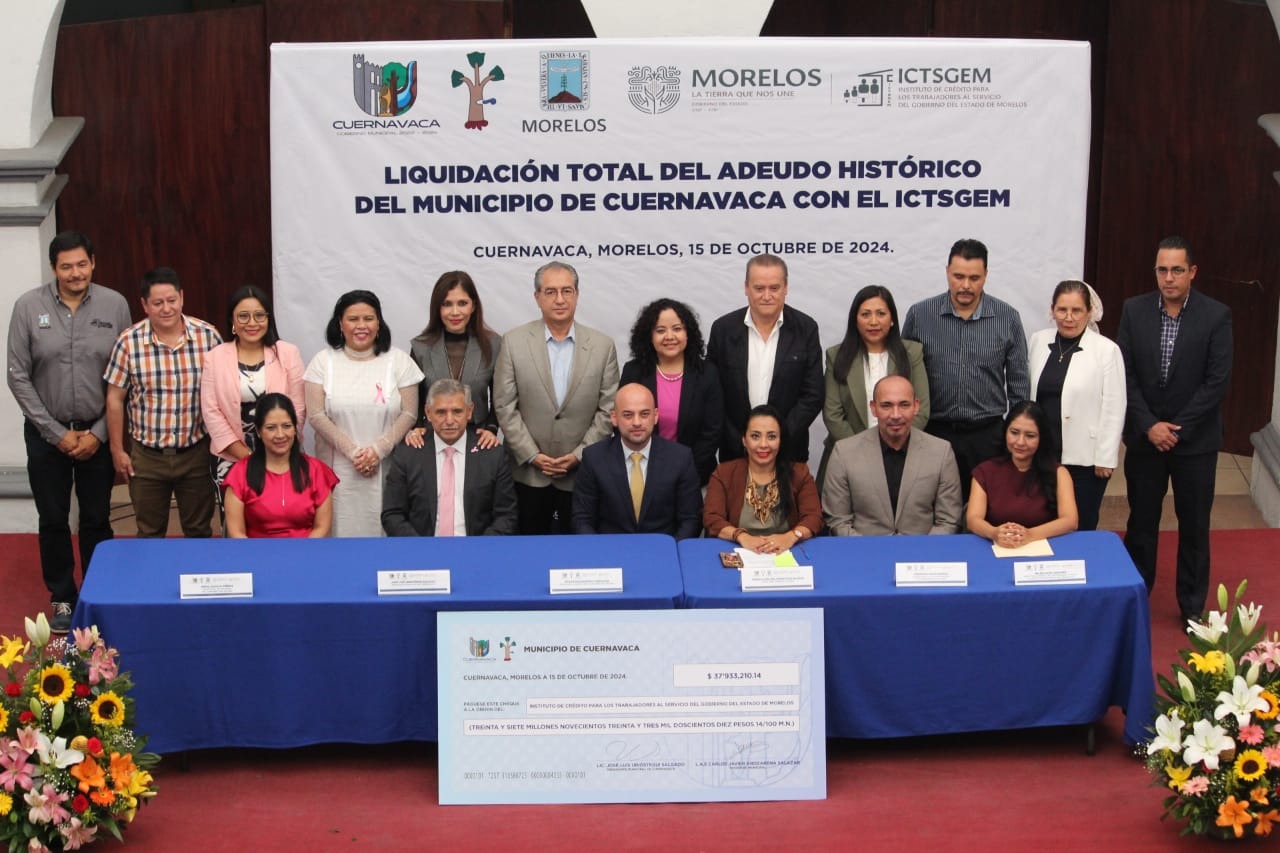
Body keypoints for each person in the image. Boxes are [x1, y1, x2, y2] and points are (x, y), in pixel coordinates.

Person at [6, 231, 132, 633]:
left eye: (81, 264)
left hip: (98, 433)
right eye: (66, 266)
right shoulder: (28, 307)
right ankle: (62, 596)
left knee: (96, 518)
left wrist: (99, 433)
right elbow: (17, 375)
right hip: (46, 436)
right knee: (53, 518)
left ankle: (98, 590)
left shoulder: (115, 305)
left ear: (93, 262)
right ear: (53, 268)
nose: (75, 273)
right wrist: (55, 432)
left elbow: (126, 372)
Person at [1117, 236, 1232, 620]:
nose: (1169, 278)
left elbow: (1217, 382)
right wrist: (1149, 425)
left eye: (1177, 270)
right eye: (1162, 270)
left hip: (1195, 443)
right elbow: (1124, 374)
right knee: (1141, 524)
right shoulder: (1134, 311)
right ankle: (1135, 599)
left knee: (1195, 526)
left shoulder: (1216, 316)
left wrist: (1176, 429)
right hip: (1145, 439)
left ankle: (1192, 608)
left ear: (1192, 272)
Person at [492, 261, 619, 534]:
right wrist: (532, 455)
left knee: (580, 551)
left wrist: (579, 455)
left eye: (567, 291)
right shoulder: (513, 342)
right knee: (528, 550)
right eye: (550, 292)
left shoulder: (602, 346)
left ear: (577, 295)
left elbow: (608, 408)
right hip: (528, 474)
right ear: (537, 297)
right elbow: (504, 405)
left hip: (582, 474)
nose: (560, 299)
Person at [903, 239, 1030, 499]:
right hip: (933, 433)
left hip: (988, 436)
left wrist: (1017, 434)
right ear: (947, 272)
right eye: (958, 276)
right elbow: (905, 376)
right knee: (931, 506)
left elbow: (1019, 384)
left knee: (987, 509)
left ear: (986, 275)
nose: (965, 286)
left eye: (974, 278)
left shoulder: (1008, 318)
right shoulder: (920, 315)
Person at [104, 266, 223, 538]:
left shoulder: (208, 337)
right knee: (149, 533)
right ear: (144, 305)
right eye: (158, 303)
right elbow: (114, 399)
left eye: (172, 300)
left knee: (199, 532)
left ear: (182, 297)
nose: (166, 309)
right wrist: (117, 450)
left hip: (195, 452)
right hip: (147, 457)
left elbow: (223, 393)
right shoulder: (128, 342)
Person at [304, 290, 423, 537]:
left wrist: (378, 451)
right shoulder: (322, 362)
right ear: (340, 324)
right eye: (353, 319)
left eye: (368, 318)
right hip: (336, 472)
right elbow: (316, 415)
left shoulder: (399, 361)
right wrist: (355, 453)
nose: (361, 326)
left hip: (387, 468)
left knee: (385, 538)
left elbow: (410, 413)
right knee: (339, 538)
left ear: (379, 322)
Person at [706, 253, 823, 463]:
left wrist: (777, 438)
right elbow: (712, 393)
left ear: (786, 288)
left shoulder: (806, 329)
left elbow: (812, 395)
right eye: (759, 288)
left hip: (789, 452)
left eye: (774, 288)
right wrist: (742, 440)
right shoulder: (723, 329)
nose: (767, 296)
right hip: (735, 452)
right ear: (746, 288)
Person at [1028, 280, 1126, 532]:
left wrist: (1106, 457)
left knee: (1080, 525)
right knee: (1041, 521)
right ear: (1052, 310)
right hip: (1042, 454)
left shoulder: (1106, 350)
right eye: (1062, 310)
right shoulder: (1038, 341)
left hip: (1086, 459)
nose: (1068, 317)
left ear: (1089, 312)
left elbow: (1114, 407)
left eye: (1076, 310)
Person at [822, 375, 961, 536]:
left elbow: (948, 520)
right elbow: (838, 521)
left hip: (923, 550)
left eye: (904, 405)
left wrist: (922, 550)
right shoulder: (844, 453)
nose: (895, 415)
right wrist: (869, 550)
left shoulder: (941, 452)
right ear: (873, 408)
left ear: (916, 406)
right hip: (863, 549)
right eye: (886, 405)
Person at [819, 285, 930, 487]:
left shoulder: (912, 353)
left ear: (892, 319)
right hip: (847, 458)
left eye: (881, 314)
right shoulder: (837, 356)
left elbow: (920, 410)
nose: (873, 321)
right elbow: (833, 415)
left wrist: (893, 447)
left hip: (902, 456)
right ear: (855, 320)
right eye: (865, 314)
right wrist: (863, 452)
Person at [201, 285, 306, 493]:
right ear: (232, 320)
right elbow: (211, 411)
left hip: (282, 455)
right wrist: (247, 457)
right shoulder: (215, 357)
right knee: (235, 514)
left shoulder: (288, 353)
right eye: (243, 316)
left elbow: (298, 408)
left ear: (268, 318)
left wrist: (276, 451)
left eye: (259, 315)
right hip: (231, 458)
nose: (252, 323)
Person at [381, 379, 517, 536]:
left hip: (476, 547)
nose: (449, 421)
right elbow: (392, 515)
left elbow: (506, 516)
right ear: (428, 413)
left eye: (457, 411)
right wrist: (420, 547)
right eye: (441, 412)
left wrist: (479, 547)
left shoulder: (492, 455)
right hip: (423, 547)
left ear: (469, 411)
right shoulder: (408, 454)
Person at [571, 382, 703, 538]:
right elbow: (582, 519)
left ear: (655, 416)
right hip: (610, 549)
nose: (637, 422)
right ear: (614, 418)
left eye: (644, 414)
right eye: (628, 415)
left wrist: (671, 549)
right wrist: (599, 550)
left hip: (663, 550)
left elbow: (691, 520)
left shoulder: (680, 458)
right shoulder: (594, 458)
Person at [620, 298, 723, 485]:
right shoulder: (634, 371)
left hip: (695, 475)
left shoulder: (707, 373)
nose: (670, 336)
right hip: (642, 474)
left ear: (688, 333)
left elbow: (712, 432)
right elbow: (622, 424)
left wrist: (685, 474)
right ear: (649, 335)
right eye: (660, 330)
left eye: (677, 329)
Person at [704, 404, 822, 553]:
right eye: (755, 436)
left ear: (780, 440)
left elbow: (814, 517)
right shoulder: (724, 473)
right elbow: (712, 518)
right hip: (739, 550)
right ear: (744, 440)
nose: (763, 444)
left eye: (771, 436)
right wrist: (741, 536)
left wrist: (791, 536)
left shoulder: (799, 473)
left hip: (785, 551)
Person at [405, 271, 502, 451]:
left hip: (479, 438)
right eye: (447, 304)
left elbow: (501, 396)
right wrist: (416, 427)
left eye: (462, 303)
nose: (455, 312)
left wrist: (491, 428)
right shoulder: (420, 347)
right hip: (432, 439)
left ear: (473, 306)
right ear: (437, 308)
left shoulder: (494, 344)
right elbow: (415, 398)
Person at [223, 393, 338, 538]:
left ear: (295, 428)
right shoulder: (239, 474)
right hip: (254, 552)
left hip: (307, 550)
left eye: (287, 426)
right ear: (258, 431)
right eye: (271, 428)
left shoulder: (316, 471)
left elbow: (322, 528)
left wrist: (303, 552)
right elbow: (236, 533)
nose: (280, 435)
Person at [967, 401, 1079, 547]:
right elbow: (973, 519)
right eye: (1014, 433)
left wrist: (1030, 535)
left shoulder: (1059, 473)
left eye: (1030, 436)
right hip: (997, 546)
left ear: (1041, 438)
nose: (1020, 442)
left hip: (1045, 547)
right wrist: (994, 533)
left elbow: (1070, 521)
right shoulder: (985, 471)